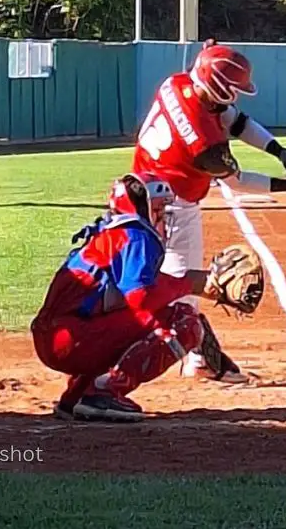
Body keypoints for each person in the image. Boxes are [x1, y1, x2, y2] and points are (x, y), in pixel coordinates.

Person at [132, 38, 286, 383]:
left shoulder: (178, 83)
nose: (237, 93)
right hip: (171, 207)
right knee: (182, 288)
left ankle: (193, 352)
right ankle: (194, 358)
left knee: (155, 279)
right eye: (234, 88)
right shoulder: (205, 144)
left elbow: (234, 119)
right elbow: (237, 181)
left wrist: (280, 152)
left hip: (139, 191)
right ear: (219, 86)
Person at [30, 172, 265, 422]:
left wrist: (196, 283)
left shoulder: (111, 234)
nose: (163, 215)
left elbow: (122, 296)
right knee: (183, 322)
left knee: (132, 322)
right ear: (141, 206)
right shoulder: (137, 236)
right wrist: (187, 285)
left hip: (58, 337)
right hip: (71, 339)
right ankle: (105, 392)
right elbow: (140, 299)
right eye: (159, 208)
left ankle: (76, 397)